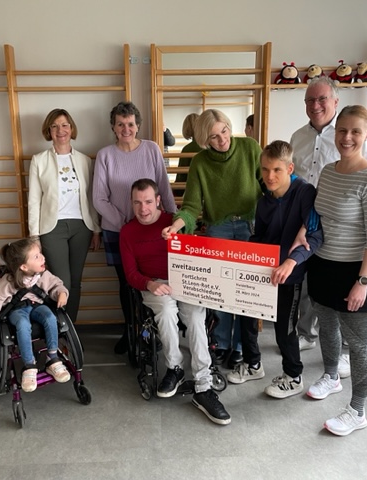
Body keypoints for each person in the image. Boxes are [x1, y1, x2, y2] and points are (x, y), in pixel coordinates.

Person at [305, 105, 367, 436]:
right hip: (324, 265)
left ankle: (357, 411)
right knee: (327, 327)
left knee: (357, 343)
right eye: (342, 130)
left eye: (356, 131)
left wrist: (362, 283)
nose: (347, 137)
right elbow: (318, 218)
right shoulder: (328, 172)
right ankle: (331, 376)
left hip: (358, 271)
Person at [120, 178, 231, 425]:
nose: (143, 209)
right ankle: (175, 368)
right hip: (153, 284)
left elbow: (194, 246)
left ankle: (203, 385)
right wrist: (150, 284)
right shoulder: (127, 232)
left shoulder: (173, 221)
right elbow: (130, 274)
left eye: (148, 202)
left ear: (158, 200)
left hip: (183, 279)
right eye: (137, 203)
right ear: (131, 202)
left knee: (195, 316)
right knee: (167, 310)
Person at [162, 108, 264, 370]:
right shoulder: (200, 162)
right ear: (204, 140)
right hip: (218, 227)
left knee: (245, 292)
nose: (222, 140)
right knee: (220, 292)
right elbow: (192, 206)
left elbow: (268, 185)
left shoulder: (250, 148)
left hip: (249, 224)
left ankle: (240, 347)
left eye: (224, 131)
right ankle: (221, 343)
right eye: (214, 137)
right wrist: (176, 226)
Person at [290, 77, 367, 376]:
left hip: (346, 228)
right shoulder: (297, 137)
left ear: (335, 102)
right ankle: (307, 334)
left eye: (322, 99)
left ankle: (345, 351)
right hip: (308, 222)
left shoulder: (351, 138)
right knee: (312, 287)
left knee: (345, 294)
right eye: (310, 100)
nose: (315, 105)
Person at [227, 141, 322, 398]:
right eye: (265, 169)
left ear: (289, 168)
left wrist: (291, 262)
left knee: (284, 328)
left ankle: (293, 376)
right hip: (262, 272)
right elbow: (260, 238)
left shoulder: (305, 192)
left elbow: (314, 235)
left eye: (277, 170)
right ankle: (253, 364)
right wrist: (241, 255)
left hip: (290, 274)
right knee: (246, 315)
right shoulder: (263, 202)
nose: (270, 176)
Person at [92, 101, 177, 354]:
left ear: (137, 125)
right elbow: (99, 198)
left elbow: (163, 188)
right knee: (127, 283)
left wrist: (174, 222)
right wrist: (127, 225)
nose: (126, 129)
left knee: (157, 279)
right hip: (119, 231)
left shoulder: (151, 149)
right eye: (120, 124)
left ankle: (154, 331)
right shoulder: (105, 155)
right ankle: (131, 332)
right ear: (113, 127)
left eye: (130, 124)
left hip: (154, 230)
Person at [28, 108, 101, 324]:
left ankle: (71, 329)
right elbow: (34, 200)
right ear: (48, 131)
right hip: (52, 229)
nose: (61, 130)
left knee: (76, 282)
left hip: (82, 227)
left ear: (71, 128)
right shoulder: (39, 160)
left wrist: (96, 230)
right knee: (62, 282)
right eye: (55, 126)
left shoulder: (84, 160)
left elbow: (91, 197)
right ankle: (59, 328)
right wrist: (34, 236)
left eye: (65, 125)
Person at [0, 237, 71, 393]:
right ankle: (29, 365)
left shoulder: (43, 275)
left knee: (50, 317)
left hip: (38, 306)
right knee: (22, 323)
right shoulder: (7, 282)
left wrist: (61, 293)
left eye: (40, 253)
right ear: (24, 266)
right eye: (36, 256)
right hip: (17, 310)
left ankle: (52, 359)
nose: (43, 258)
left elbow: (56, 284)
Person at [174, 113, 202, 199]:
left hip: (193, 192)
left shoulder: (187, 149)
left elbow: (181, 176)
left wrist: (176, 193)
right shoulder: (210, 145)